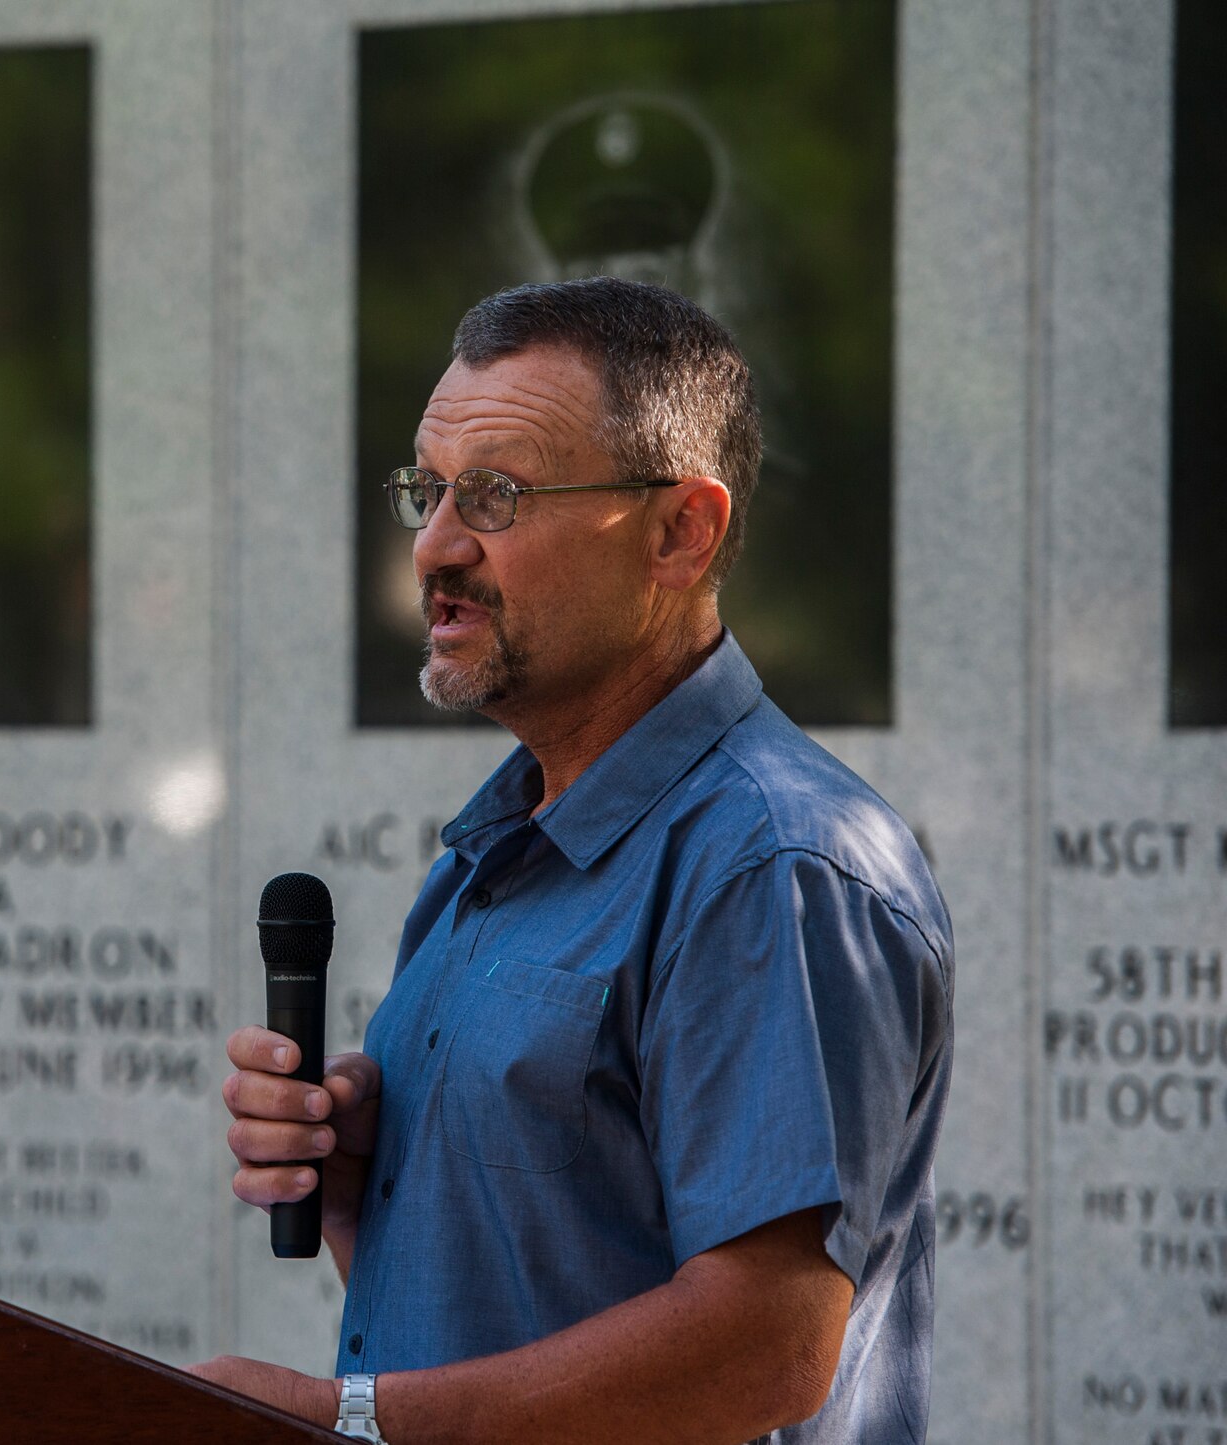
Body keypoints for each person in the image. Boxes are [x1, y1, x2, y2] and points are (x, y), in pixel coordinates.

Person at [195, 278, 951, 1443]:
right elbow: (524, 1319)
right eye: (426, 490)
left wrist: (348, 1417)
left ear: (676, 532)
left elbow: (764, 1344)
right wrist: (367, 1199)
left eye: (495, 494)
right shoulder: (494, 845)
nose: (435, 546)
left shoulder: (769, 861)